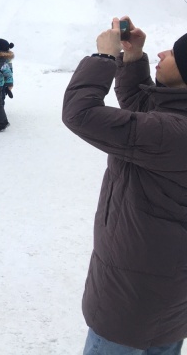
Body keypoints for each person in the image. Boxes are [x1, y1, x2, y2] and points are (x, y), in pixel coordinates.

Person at [63, 18, 187, 354]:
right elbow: (144, 114)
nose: (163, 53)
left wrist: (103, 60)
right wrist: (133, 59)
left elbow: (81, 114)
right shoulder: (173, 125)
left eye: (175, 54)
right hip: (169, 297)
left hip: (132, 302)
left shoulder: (171, 134)